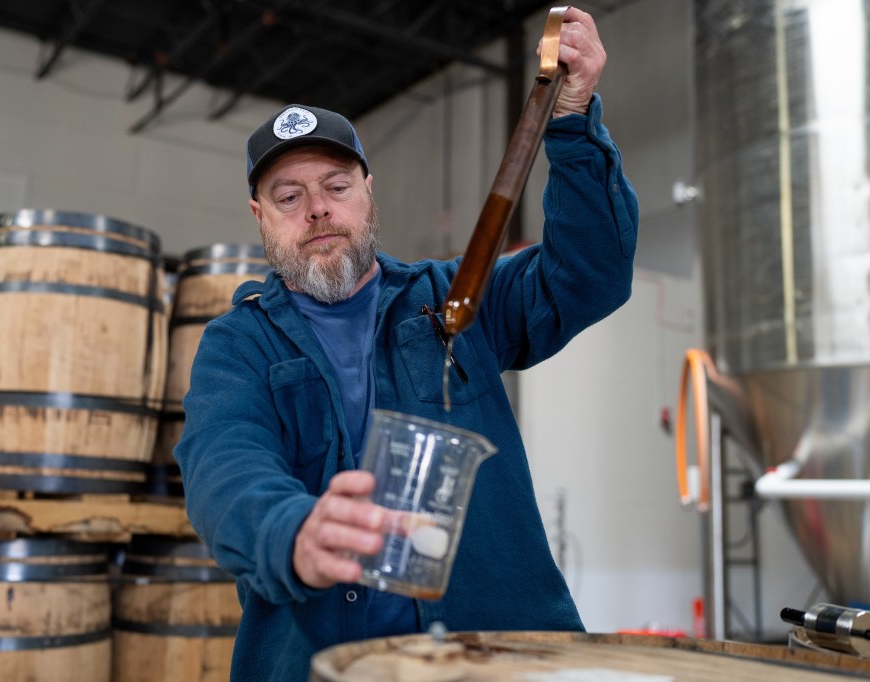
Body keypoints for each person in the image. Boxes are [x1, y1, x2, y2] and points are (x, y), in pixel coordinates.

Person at [174, 7, 637, 680]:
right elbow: (222, 467)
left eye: (335, 186)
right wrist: (291, 531)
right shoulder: (239, 344)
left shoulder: (458, 295)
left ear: (367, 189)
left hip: (497, 659)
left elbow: (590, 274)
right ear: (260, 217)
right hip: (322, 664)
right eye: (289, 196)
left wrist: (571, 118)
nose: (318, 209)